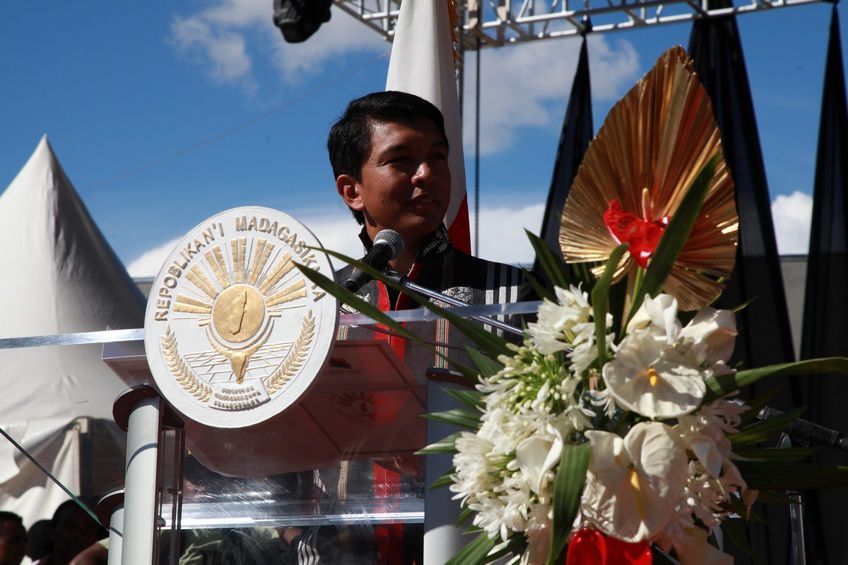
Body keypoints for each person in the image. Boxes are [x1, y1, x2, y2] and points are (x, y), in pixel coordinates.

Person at [327, 91, 529, 564]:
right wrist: (298, 537)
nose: (427, 174)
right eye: (402, 161)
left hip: (478, 548)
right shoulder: (318, 304)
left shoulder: (513, 296)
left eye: (437, 157)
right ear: (351, 190)